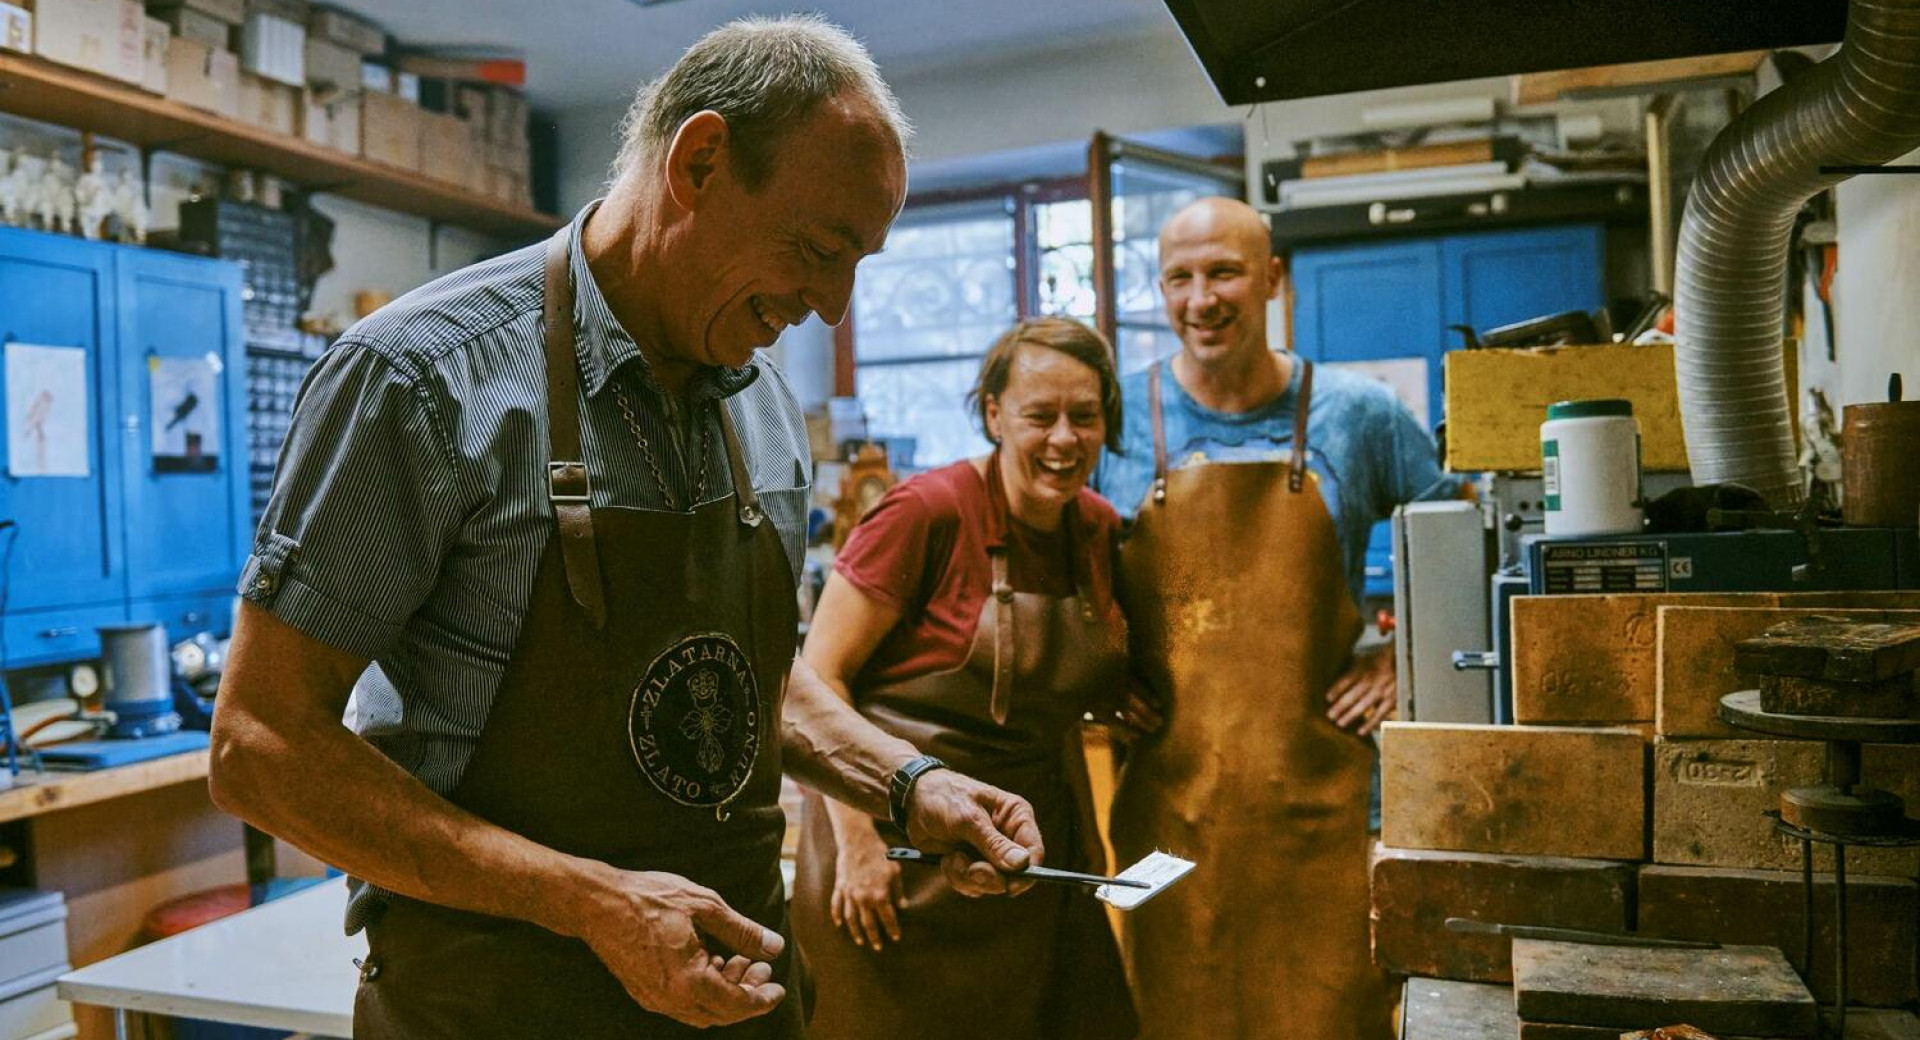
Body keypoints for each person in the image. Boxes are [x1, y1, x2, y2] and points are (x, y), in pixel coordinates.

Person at [208, 18, 1052, 1039]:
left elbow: (746, 682)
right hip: (494, 1006)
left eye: (857, 263)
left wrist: (907, 786)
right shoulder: (422, 381)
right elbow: (259, 744)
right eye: (820, 249)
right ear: (700, 161)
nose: (833, 304)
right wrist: (593, 902)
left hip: (736, 997)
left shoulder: (762, 404)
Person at [1094, 197, 1463, 1040]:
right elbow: (1057, 568)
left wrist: (1401, 662)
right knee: (1174, 1014)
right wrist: (1101, 676)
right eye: (1180, 278)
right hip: (1166, 813)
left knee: (1335, 1013)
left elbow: (1460, 541)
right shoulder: (1115, 423)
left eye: (1223, 271)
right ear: (1161, 289)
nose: (1202, 298)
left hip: (1325, 814)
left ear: (1270, 279)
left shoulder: (1357, 416)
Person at [791, 317, 1146, 1040]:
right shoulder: (928, 513)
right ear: (993, 414)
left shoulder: (1099, 531)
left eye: (1085, 416)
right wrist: (856, 846)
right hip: (894, 864)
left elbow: (1091, 674)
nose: (1063, 439)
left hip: (1027, 862)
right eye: (1039, 416)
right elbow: (817, 679)